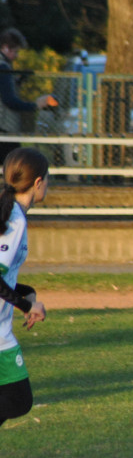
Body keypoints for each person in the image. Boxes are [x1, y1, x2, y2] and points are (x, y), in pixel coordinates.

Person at [0, 148, 49, 429]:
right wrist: (28, 305)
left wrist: (26, 292)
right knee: (18, 400)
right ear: (38, 183)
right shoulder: (14, 221)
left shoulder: (13, 213)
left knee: (13, 398)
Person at [0, 29, 57, 164]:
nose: (17, 56)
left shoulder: (6, 67)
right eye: (16, 51)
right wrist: (36, 104)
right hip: (4, 127)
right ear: (6, 48)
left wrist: (19, 80)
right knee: (13, 166)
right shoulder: (3, 67)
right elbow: (9, 101)